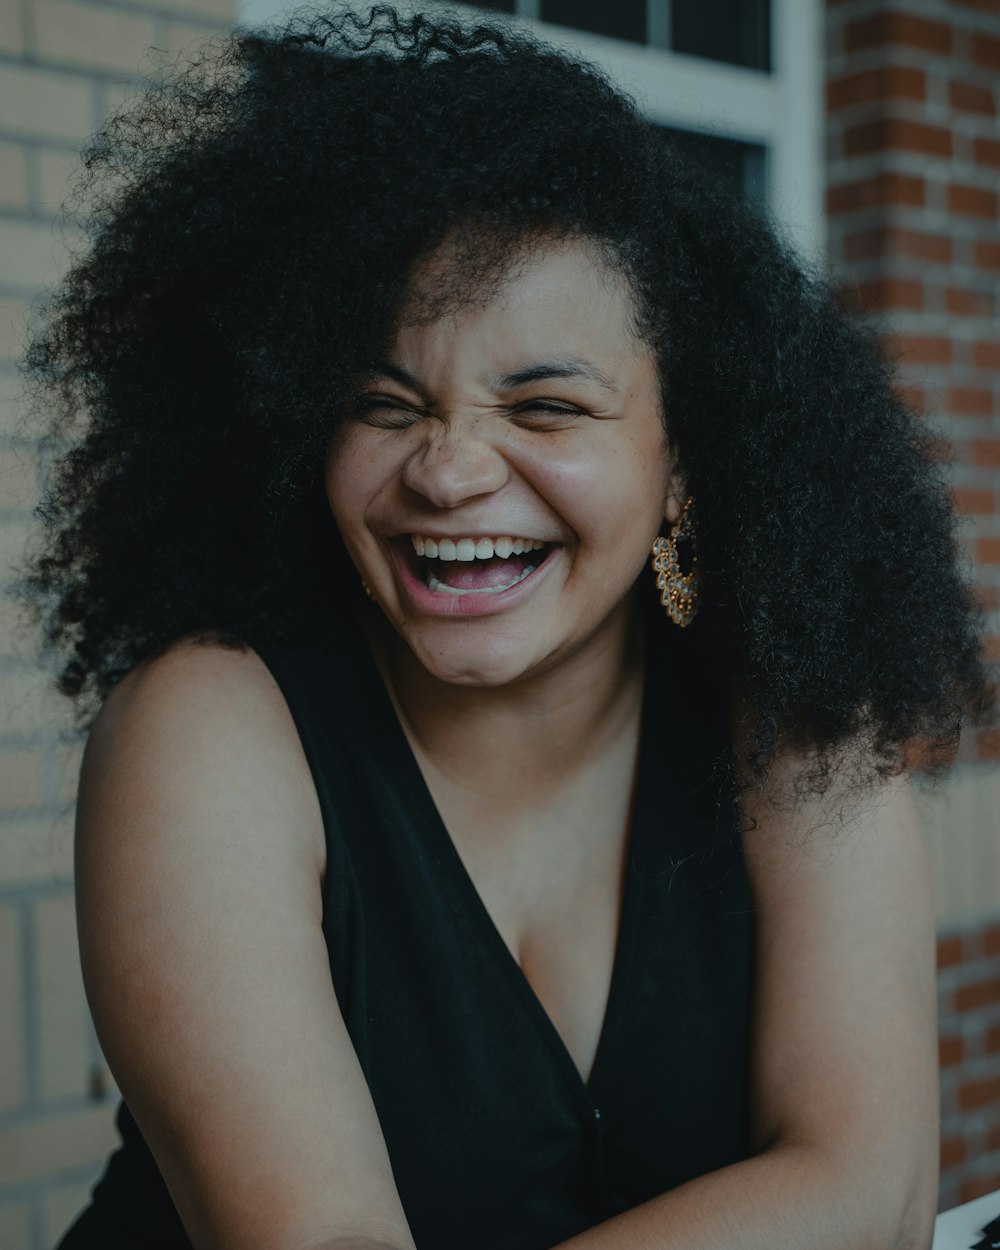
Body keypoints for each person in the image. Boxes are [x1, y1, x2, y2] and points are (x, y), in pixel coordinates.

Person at [15, 5, 994, 1249]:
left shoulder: (796, 723)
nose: (449, 470)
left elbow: (873, 1191)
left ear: (680, 455)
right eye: (385, 401)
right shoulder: (209, 728)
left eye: (545, 405)